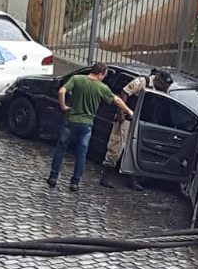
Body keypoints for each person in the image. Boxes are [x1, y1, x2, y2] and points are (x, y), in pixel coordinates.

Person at [47, 62, 133, 192]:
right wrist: (128, 111)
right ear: (101, 73)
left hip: (70, 120)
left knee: (61, 148)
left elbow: (61, 91)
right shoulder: (101, 87)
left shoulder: (77, 79)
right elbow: (117, 100)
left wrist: (63, 106)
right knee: (81, 153)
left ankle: (53, 177)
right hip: (86, 124)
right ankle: (75, 182)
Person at [98, 69, 173, 191]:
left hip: (139, 122)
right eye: (164, 85)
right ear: (159, 80)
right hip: (126, 119)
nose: (164, 88)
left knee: (133, 150)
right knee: (117, 146)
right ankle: (105, 176)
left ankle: (131, 179)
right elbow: (124, 92)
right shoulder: (142, 82)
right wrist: (121, 113)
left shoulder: (158, 89)